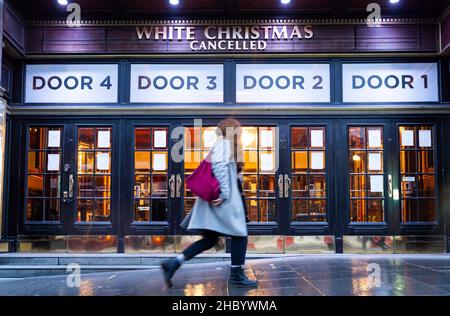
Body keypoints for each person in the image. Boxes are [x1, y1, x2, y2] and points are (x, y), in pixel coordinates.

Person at [161, 118, 257, 287]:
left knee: (209, 240)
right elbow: (219, 167)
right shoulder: (224, 145)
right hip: (221, 201)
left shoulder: (224, 146)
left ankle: (173, 263)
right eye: (238, 131)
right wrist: (225, 193)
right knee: (240, 235)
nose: (240, 134)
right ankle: (236, 275)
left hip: (215, 201)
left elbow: (223, 169)